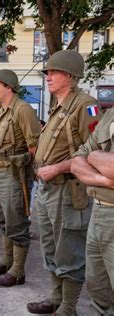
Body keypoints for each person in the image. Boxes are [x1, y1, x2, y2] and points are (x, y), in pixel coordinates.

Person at [27, 50, 103, 315]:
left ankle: (68, 307)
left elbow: (94, 152)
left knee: (69, 249)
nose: (48, 76)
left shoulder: (85, 105)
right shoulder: (59, 107)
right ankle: (56, 298)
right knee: (50, 246)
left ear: (70, 77)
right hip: (49, 189)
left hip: (69, 190)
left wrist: (57, 167)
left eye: (53, 72)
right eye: (47, 72)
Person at [0, 69, 40, 285]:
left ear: (9, 87)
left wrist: (30, 175)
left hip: (15, 174)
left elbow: (34, 146)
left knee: (16, 221)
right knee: (2, 218)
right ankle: (7, 260)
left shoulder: (22, 110)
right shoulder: (2, 112)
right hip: (0, 171)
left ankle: (18, 271)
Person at [71, 108, 114, 315]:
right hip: (98, 208)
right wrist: (103, 179)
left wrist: (93, 156)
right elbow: (78, 159)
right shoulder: (110, 114)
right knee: (97, 285)